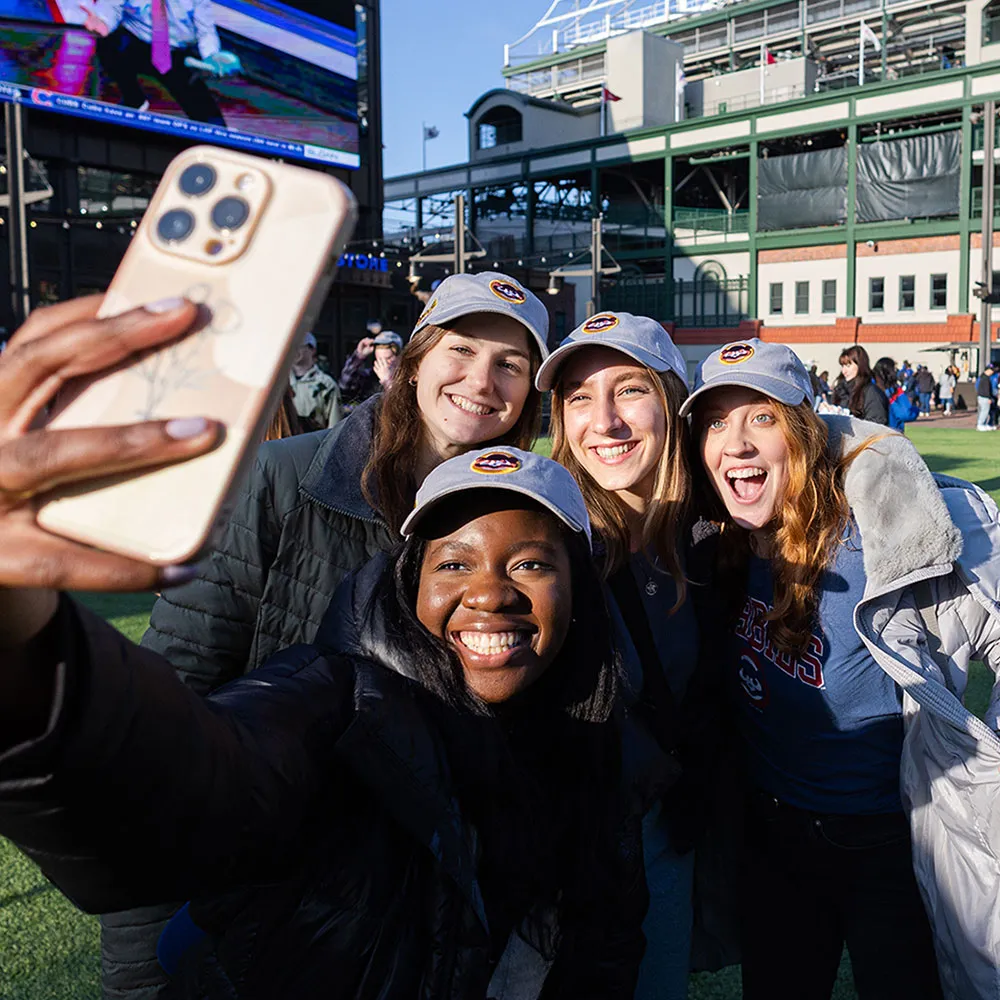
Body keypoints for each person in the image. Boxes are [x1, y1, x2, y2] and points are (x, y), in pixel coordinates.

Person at [0, 307, 651, 996]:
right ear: (408, 582)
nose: (488, 594)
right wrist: (26, 649)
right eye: (453, 566)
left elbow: (606, 943)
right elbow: (188, 776)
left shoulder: (596, 737)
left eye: (530, 565)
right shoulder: (338, 701)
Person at [106, 270, 551, 998]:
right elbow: (160, 719)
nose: (482, 379)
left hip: (422, 920)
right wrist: (139, 973)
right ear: (413, 361)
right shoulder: (283, 480)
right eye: (463, 350)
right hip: (269, 901)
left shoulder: (524, 523)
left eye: (511, 364)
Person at [683, 337, 1000, 1000]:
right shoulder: (714, 543)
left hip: (887, 843)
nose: (735, 442)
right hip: (773, 838)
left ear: (803, 431)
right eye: (716, 421)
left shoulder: (884, 535)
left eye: (761, 417)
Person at [537, 312, 710, 1000]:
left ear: (671, 403)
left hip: (664, 835)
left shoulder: (714, 526)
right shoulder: (542, 531)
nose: (603, 421)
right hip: (562, 852)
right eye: (579, 397)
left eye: (629, 390)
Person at [82, 0, 239, 125]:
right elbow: (112, 8)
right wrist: (103, 22)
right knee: (109, 44)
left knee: (210, 120)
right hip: (137, 41)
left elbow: (206, 31)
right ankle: (134, 100)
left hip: (174, 53)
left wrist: (211, 58)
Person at [289, 331, 343, 432]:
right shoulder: (279, 383)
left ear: (312, 349)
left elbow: (335, 428)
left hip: (312, 444)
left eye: (298, 345)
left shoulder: (326, 384)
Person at [338, 329, 404, 411]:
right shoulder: (369, 377)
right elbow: (344, 386)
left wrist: (388, 382)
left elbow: (402, 404)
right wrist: (359, 357)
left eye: (388, 358)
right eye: (379, 358)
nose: (383, 363)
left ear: (399, 357)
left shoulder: (405, 378)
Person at [833, 344, 888, 425]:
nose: (843, 371)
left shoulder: (871, 392)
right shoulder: (842, 390)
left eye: (848, 366)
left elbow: (876, 424)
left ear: (860, 365)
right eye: (842, 366)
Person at [976, 363, 995, 431]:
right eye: (991, 370)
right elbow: (985, 389)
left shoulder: (984, 377)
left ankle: (984, 424)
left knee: (986, 411)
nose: (992, 372)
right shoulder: (984, 378)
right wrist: (989, 397)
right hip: (984, 397)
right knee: (984, 411)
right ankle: (980, 424)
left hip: (983, 396)